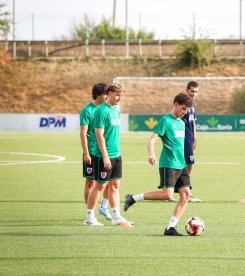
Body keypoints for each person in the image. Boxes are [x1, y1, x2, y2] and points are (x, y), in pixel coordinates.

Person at [124, 92, 193, 236]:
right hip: (169, 163)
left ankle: (170, 228)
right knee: (167, 195)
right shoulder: (165, 121)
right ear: (176, 104)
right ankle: (133, 198)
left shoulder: (182, 122)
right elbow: (151, 140)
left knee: (185, 195)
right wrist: (151, 154)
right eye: (183, 108)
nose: (185, 112)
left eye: (187, 110)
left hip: (181, 164)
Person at [84, 83, 133, 226]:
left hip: (116, 154)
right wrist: (105, 156)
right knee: (99, 186)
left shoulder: (116, 110)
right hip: (104, 156)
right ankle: (89, 217)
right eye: (117, 95)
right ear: (109, 93)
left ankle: (116, 216)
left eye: (121, 96)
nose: (119, 98)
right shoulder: (101, 111)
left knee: (115, 185)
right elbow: (99, 134)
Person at [79, 83, 112, 221]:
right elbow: (83, 133)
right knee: (90, 182)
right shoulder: (87, 111)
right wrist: (86, 152)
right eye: (105, 94)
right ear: (98, 94)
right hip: (92, 151)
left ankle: (103, 207)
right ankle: (90, 212)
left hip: (105, 152)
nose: (107, 97)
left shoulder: (106, 110)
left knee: (108, 181)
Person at [182, 81, 202, 202]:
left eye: (196, 91)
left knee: (188, 164)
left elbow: (193, 122)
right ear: (187, 90)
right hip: (182, 138)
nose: (194, 94)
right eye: (192, 91)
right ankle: (186, 190)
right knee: (186, 164)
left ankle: (184, 189)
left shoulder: (192, 104)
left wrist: (195, 138)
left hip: (189, 138)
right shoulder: (182, 103)